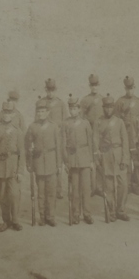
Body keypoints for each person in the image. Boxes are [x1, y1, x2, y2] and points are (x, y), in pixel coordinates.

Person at [0, 99, 24, 231]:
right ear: (2, 113)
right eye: (5, 112)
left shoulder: (17, 131)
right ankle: (6, 220)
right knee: (2, 196)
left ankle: (15, 220)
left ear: (13, 114)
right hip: (1, 166)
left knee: (14, 194)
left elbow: (22, 153)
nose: (7, 115)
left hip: (13, 166)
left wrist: (20, 171)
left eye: (9, 112)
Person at [93, 96, 131, 221]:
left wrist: (125, 159)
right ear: (103, 108)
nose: (108, 110)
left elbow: (125, 141)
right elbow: (95, 141)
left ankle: (121, 210)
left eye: (110, 108)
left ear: (113, 108)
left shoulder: (119, 122)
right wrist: (97, 158)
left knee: (123, 184)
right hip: (106, 154)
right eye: (106, 108)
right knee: (108, 185)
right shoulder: (98, 122)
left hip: (119, 153)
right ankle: (111, 211)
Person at [62, 96, 95, 225]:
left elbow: (90, 142)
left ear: (79, 109)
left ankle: (87, 214)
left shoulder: (85, 123)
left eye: (75, 108)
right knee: (75, 189)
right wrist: (66, 161)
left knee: (86, 189)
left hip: (85, 158)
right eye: (71, 108)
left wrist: (91, 160)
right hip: (73, 160)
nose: (73, 111)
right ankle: (75, 214)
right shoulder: (66, 123)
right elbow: (63, 143)